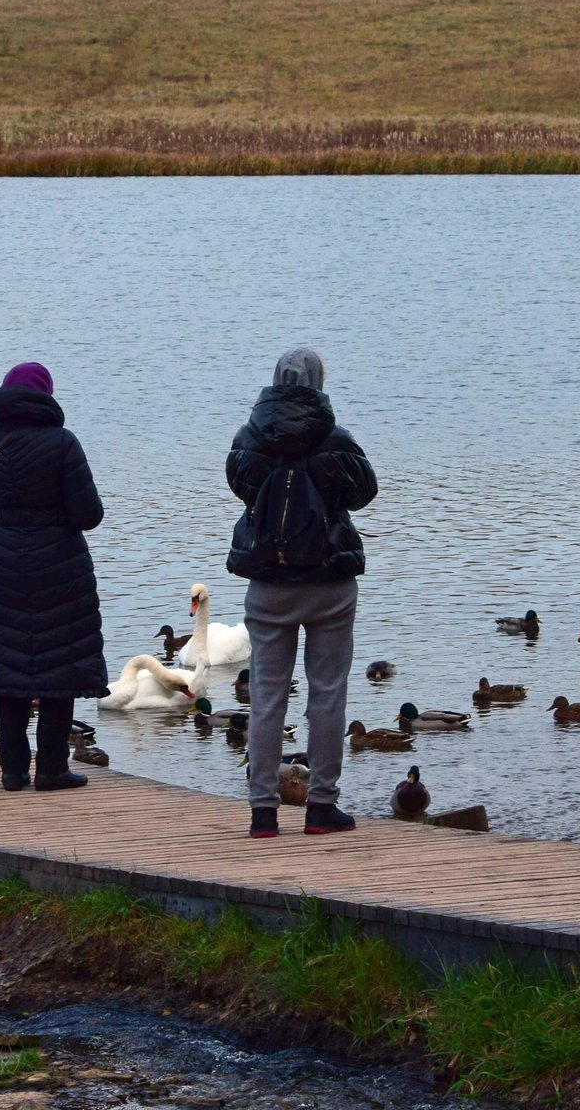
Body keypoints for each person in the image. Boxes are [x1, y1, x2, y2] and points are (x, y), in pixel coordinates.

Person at [225, 347, 377, 839]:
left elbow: (240, 486)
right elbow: (364, 492)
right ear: (319, 382)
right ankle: (322, 806)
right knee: (327, 694)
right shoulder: (335, 439)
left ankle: (262, 812)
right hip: (329, 581)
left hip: (268, 582)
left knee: (267, 695)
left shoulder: (250, 437)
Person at [0, 363, 108, 793]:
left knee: (8, 665)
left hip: (4, 564)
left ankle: (12, 770)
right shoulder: (63, 443)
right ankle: (50, 768)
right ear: (46, 396)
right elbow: (89, 515)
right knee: (60, 664)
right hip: (61, 567)